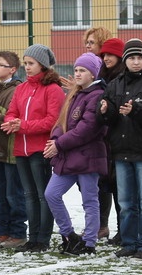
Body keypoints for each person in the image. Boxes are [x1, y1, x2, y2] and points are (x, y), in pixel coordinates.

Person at [101, 39, 142, 260]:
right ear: (125, 60)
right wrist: (104, 109)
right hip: (121, 151)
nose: (136, 61)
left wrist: (135, 109)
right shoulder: (115, 83)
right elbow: (109, 114)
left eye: (140, 57)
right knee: (126, 202)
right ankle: (128, 242)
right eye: (131, 57)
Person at [2, 44, 65, 253]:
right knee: (29, 194)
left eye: (31, 63)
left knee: (42, 194)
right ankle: (32, 237)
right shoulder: (21, 88)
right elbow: (12, 112)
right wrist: (11, 122)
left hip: (41, 150)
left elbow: (52, 121)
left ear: (43, 65)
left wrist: (23, 125)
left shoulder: (53, 89)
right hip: (21, 149)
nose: (26, 67)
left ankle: (43, 238)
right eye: (26, 63)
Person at [43, 53, 108, 255]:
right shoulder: (74, 94)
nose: (77, 74)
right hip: (68, 156)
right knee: (51, 194)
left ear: (93, 74)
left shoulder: (97, 95)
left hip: (88, 157)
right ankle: (69, 236)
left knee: (90, 200)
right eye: (76, 70)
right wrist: (55, 139)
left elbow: (87, 129)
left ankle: (89, 243)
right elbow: (61, 122)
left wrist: (59, 144)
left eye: (83, 70)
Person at [0, 51, 27, 249]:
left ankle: (18, 233)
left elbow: (9, 120)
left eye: (1, 65)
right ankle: (3, 231)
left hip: (10, 152)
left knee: (13, 195)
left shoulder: (17, 89)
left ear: (13, 69)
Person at [98, 38, 125, 245]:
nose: (106, 58)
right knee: (109, 187)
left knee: (121, 190)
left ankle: (124, 230)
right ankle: (110, 228)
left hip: (120, 140)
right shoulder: (102, 78)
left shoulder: (122, 79)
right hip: (105, 141)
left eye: (110, 54)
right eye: (104, 55)